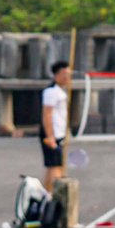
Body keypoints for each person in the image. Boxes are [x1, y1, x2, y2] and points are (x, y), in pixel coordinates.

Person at [40, 60, 73, 190]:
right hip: (51, 133)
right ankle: (50, 195)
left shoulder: (60, 91)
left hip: (59, 133)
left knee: (57, 166)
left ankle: (48, 194)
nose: (67, 76)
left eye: (68, 73)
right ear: (56, 75)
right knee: (54, 167)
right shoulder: (51, 92)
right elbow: (46, 114)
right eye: (64, 73)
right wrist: (50, 136)